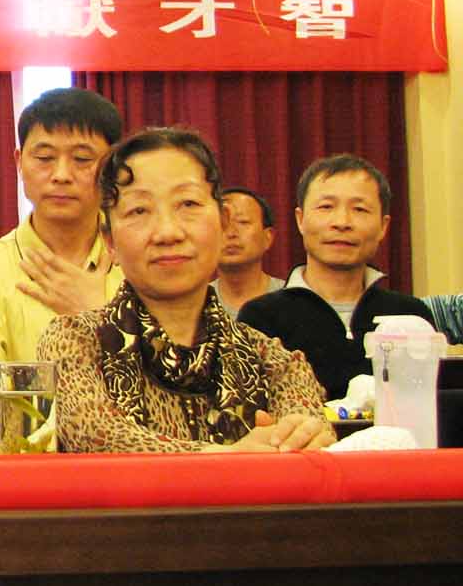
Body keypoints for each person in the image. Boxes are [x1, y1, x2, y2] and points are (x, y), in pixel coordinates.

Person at [38, 128, 333, 452]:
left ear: (223, 223)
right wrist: (227, 460)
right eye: (139, 211)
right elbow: (97, 435)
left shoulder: (273, 360)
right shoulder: (77, 340)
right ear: (110, 241)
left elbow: (306, 434)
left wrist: (303, 438)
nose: (168, 232)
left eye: (188, 204)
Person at [0, 87, 125, 401]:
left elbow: (172, 386)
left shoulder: (143, 264)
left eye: (82, 159)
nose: (61, 175)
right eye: (44, 158)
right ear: (19, 162)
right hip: (21, 436)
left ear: (112, 167)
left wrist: (98, 321)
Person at [239, 155, 432, 400]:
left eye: (359, 209)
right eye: (326, 207)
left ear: (383, 226)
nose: (342, 222)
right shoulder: (260, 318)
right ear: (300, 220)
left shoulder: (410, 316)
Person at [211, 186, 285, 314]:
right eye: (222, 223)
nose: (231, 233)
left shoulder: (291, 300)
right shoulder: (192, 304)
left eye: (243, 222)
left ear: (268, 237)